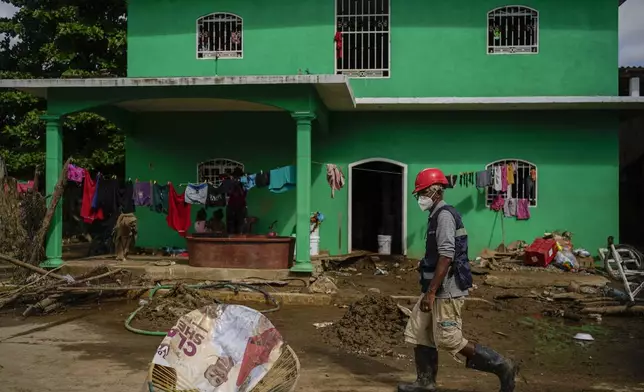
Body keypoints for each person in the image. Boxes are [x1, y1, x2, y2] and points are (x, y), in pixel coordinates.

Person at [398, 168, 518, 392]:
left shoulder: (443, 216)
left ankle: (503, 366)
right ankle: (426, 383)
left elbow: (446, 256)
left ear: (435, 192)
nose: (419, 198)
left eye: (421, 193)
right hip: (434, 287)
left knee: (449, 339)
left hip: (446, 290)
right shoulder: (435, 215)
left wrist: (432, 292)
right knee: (421, 331)